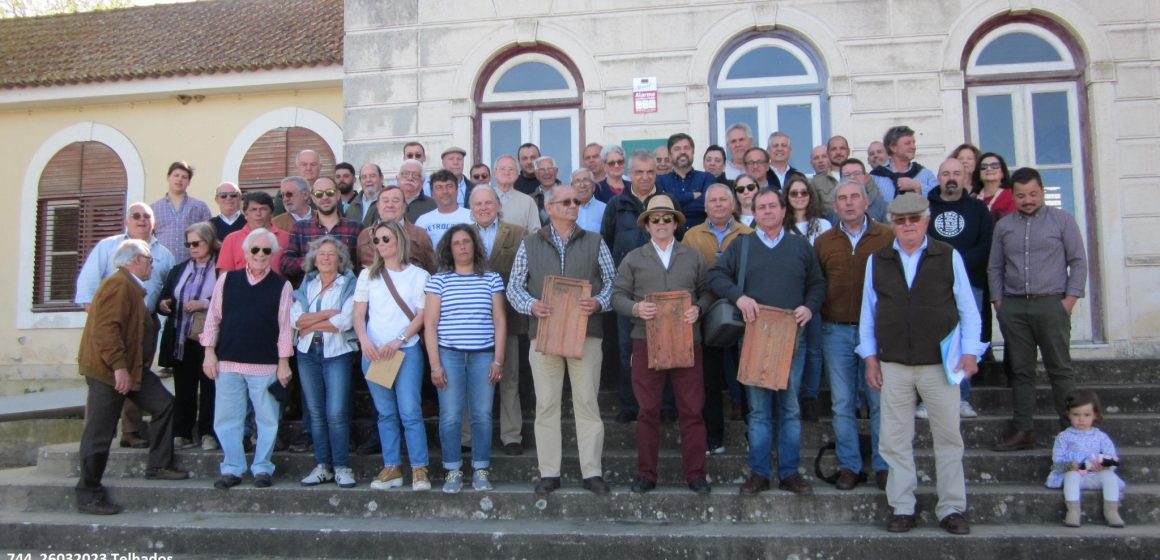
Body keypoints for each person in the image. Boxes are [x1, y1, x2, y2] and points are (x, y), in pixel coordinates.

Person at [857, 193, 986, 535]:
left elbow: (968, 310)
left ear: (926, 221)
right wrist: (870, 358)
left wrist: (971, 352)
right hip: (894, 363)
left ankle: (952, 508)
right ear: (892, 225)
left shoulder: (947, 255)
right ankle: (902, 506)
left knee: (948, 438)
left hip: (940, 364)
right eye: (900, 220)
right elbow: (867, 315)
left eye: (914, 218)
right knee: (894, 439)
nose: (908, 225)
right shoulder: (878, 260)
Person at [707, 188, 825, 497]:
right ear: (754, 213)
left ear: (784, 210)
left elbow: (818, 284)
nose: (768, 211)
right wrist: (740, 297)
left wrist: (809, 307)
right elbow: (716, 277)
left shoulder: (800, 246)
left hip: (791, 340)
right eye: (762, 207)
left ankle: (789, 473)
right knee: (758, 411)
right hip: (755, 338)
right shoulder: (742, 246)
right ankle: (759, 473)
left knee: (789, 409)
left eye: (773, 206)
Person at [508, 183, 616, 496]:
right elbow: (514, 287)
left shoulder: (596, 241)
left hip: (587, 333)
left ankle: (592, 472)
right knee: (546, 404)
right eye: (566, 202)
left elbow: (613, 283)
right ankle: (549, 473)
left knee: (587, 403)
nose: (573, 205)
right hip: (543, 334)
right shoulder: (530, 243)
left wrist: (598, 302)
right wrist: (531, 305)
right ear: (550, 208)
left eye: (576, 201)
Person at [75, 239, 190, 515]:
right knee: (99, 433)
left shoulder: (131, 286)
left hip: (133, 368)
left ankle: (159, 465)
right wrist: (119, 367)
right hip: (110, 371)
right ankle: (88, 492)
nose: (152, 264)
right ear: (135, 260)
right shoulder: (118, 285)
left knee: (164, 404)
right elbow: (106, 330)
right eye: (149, 259)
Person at [612, 195, 715, 494]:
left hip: (687, 341)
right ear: (646, 224)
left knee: (692, 410)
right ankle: (646, 474)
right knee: (647, 410)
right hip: (645, 341)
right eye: (655, 219)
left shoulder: (693, 256)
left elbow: (709, 292)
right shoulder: (633, 258)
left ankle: (696, 474)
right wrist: (635, 309)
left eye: (666, 219)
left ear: (675, 223)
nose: (661, 224)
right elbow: (617, 296)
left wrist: (700, 308)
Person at [990, 167, 1087, 452]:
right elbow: (995, 267)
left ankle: (1071, 432)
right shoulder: (1004, 226)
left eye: (1033, 194)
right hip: (1015, 306)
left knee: (1060, 369)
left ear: (1042, 191)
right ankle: (1023, 430)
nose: (1028, 200)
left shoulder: (1062, 221)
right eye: (1021, 195)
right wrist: (1000, 304)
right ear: (1013, 196)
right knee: (1021, 371)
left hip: (1051, 303)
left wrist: (1069, 301)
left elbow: (1078, 261)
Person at [814, 179, 894, 491]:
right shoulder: (825, 241)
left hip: (876, 333)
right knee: (842, 402)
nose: (848, 203)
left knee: (878, 401)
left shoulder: (886, 236)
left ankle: (883, 464)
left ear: (866, 203)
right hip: (835, 330)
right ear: (835, 206)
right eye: (842, 199)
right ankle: (849, 465)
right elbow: (817, 284)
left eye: (854, 197)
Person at [75, 203, 175, 449]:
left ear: (155, 222)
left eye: (147, 216)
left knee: (141, 384)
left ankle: (134, 434)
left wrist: (161, 307)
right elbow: (97, 310)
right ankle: (90, 477)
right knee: (103, 412)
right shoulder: (112, 265)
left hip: (145, 325)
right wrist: (117, 362)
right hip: (111, 347)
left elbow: (166, 289)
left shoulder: (165, 254)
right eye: (136, 216)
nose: (142, 220)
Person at [201, 228, 293, 490]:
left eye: (267, 250)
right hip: (228, 361)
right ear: (246, 252)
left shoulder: (281, 286)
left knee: (267, 419)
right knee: (227, 419)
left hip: (264, 364)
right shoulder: (227, 280)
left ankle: (263, 467)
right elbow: (213, 319)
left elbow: (285, 326)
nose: (261, 255)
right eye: (256, 250)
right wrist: (209, 353)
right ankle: (232, 468)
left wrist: (284, 361)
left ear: (273, 254)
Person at [424, 224, 506, 494]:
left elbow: (499, 321)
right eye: (456, 243)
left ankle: (481, 470)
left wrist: (498, 360)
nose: (462, 246)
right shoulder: (438, 280)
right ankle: (453, 471)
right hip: (449, 356)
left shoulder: (492, 278)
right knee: (450, 416)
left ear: (475, 246)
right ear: (449, 248)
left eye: (467, 242)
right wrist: (435, 365)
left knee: (482, 415)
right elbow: (431, 325)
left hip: (484, 356)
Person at [354, 221, 432, 491]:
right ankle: (392, 467)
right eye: (376, 241)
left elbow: (422, 315)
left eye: (385, 239)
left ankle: (419, 468)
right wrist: (364, 340)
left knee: (410, 411)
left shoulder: (418, 275)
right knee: (385, 413)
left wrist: (399, 340)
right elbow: (358, 312)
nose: (381, 244)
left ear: (398, 240)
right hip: (374, 352)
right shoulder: (367, 275)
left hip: (406, 351)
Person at [922, 158, 993, 420]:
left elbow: (985, 245)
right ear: (938, 178)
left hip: (970, 285)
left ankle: (962, 397)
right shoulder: (925, 208)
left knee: (964, 340)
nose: (951, 178)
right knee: (930, 339)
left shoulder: (978, 209)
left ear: (966, 178)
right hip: (930, 285)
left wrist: (957, 269)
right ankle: (928, 400)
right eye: (945, 173)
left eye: (957, 173)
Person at [683, 183, 752, 447]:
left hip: (743, 315)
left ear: (733, 204)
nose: (719, 205)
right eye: (713, 201)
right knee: (709, 380)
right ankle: (714, 438)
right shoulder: (692, 236)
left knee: (745, 377)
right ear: (705, 206)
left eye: (724, 200)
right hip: (704, 314)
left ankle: (750, 434)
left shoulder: (748, 234)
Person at [465, 185, 529, 456]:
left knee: (509, 377)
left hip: (509, 317)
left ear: (498, 205)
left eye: (488, 203)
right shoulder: (461, 235)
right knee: (470, 379)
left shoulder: (518, 233)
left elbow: (526, 273)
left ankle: (511, 435)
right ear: (471, 208)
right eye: (478, 204)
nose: (483, 208)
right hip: (471, 321)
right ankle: (467, 437)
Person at [292, 237, 359, 488]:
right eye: (322, 254)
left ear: (340, 259)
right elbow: (295, 320)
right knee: (316, 414)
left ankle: (341, 466)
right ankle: (323, 466)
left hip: (337, 353)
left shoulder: (348, 284)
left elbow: (344, 322)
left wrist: (312, 321)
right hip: (307, 353)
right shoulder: (307, 284)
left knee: (337, 413)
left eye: (332, 254)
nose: (326, 258)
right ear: (314, 259)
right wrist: (326, 315)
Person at [158, 222, 219, 452]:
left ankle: (207, 433)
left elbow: (228, 299)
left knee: (210, 387)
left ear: (209, 241)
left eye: (197, 243)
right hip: (181, 337)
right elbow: (166, 293)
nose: (192, 248)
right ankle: (182, 432)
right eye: (188, 244)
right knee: (184, 387)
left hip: (209, 337)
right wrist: (164, 303)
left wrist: (204, 304)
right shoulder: (179, 269)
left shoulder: (221, 268)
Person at [784, 176, 832, 422]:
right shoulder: (781, 225)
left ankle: (810, 397)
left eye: (804, 192)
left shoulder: (822, 225)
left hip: (814, 296)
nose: (800, 197)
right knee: (794, 351)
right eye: (794, 193)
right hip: (789, 297)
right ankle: (792, 397)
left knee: (814, 349)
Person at [1047, 389, 1125, 528]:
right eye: (1076, 414)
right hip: (1075, 475)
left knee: (1109, 477)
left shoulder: (1101, 437)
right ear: (1068, 414)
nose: (1081, 419)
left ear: (1094, 415)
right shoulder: (1064, 437)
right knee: (1071, 476)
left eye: (1086, 415)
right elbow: (1056, 463)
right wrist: (1070, 466)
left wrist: (1105, 465)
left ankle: (1112, 510)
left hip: (1095, 474)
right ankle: (1073, 510)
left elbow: (1113, 458)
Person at [280, 178, 363, 286]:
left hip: (346, 294)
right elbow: (286, 265)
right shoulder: (300, 228)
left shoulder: (355, 228)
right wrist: (314, 260)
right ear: (313, 198)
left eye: (330, 193)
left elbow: (363, 267)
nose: (324, 197)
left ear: (338, 195)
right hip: (309, 296)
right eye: (319, 194)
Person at [356, 185, 436, 273]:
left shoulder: (420, 235)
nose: (390, 205)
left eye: (395, 201)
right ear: (378, 206)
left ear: (404, 206)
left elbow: (431, 268)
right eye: (385, 201)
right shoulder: (365, 236)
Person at [152, 161, 212, 264]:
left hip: (192, 265)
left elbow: (209, 237)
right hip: (162, 264)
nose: (180, 179)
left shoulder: (200, 207)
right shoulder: (153, 208)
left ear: (189, 182)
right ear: (168, 178)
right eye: (176, 175)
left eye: (184, 177)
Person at [218, 191, 291, 275]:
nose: (258, 214)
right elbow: (224, 276)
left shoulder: (287, 238)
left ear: (271, 213)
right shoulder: (231, 239)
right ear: (245, 214)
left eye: (263, 209)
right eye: (253, 209)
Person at [657, 133, 714, 230]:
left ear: (693, 152)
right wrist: (691, 196)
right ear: (670, 155)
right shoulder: (660, 180)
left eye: (686, 148)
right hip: (672, 240)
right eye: (677, 149)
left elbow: (708, 205)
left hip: (700, 239)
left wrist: (675, 208)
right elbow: (663, 207)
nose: (682, 152)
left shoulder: (707, 178)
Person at [870, 125, 938, 201]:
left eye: (913, 142)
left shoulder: (926, 175)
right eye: (907, 143)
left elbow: (939, 199)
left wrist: (918, 187)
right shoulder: (875, 177)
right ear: (893, 148)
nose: (913, 147)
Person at [414, 170, 473, 248]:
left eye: (449, 186)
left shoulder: (472, 217)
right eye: (439, 187)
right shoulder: (423, 221)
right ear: (432, 193)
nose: (445, 191)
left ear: (457, 191)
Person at [490, 155, 541, 234]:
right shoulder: (483, 197)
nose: (506, 172)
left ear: (517, 174)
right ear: (494, 173)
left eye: (511, 169)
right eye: (502, 169)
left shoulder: (527, 201)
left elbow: (535, 233)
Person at [970, 152, 1017, 222]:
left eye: (994, 165)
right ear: (979, 174)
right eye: (984, 166)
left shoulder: (1011, 196)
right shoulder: (971, 199)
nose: (989, 169)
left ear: (1002, 173)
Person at [571, 168, 606, 234]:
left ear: (593, 187)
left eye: (586, 180)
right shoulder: (565, 210)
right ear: (572, 188)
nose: (582, 185)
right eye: (577, 182)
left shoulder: (605, 209)